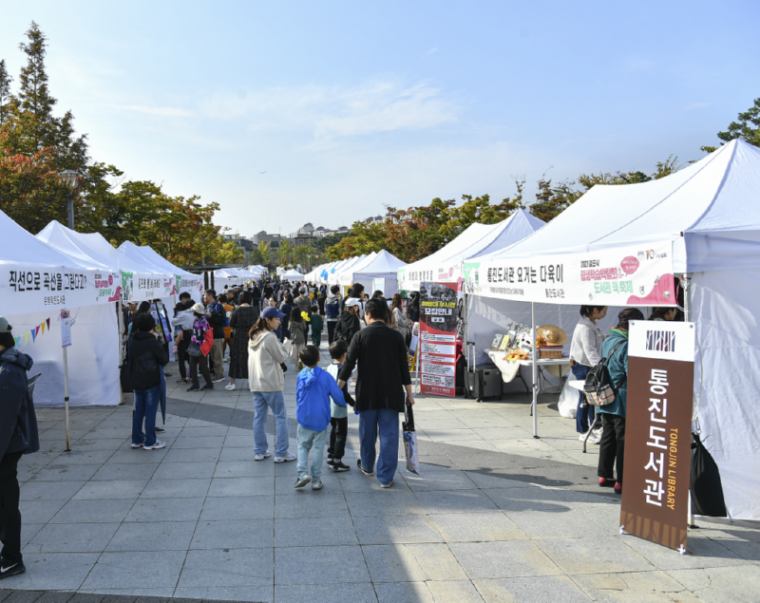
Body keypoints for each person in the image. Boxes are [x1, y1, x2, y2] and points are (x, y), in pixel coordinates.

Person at [338, 299, 414, 488]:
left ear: (368, 315)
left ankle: (367, 466)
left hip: (367, 393)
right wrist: (409, 394)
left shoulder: (360, 336)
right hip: (392, 393)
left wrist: (337, 385)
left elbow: (348, 364)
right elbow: (404, 368)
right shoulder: (396, 336)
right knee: (389, 435)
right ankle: (385, 477)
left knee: (367, 432)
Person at [0, 316, 38, 580]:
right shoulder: (7, 365)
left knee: (6, 504)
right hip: (6, 443)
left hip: (6, 447)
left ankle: (12, 558)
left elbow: (5, 418)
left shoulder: (9, 369)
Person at [597, 308, 644, 494]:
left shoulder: (607, 340)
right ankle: (622, 481)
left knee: (607, 436)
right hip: (621, 399)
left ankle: (604, 474)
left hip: (605, 396)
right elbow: (631, 373)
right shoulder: (626, 344)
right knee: (623, 441)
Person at [294, 345, 348, 490]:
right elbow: (337, 395)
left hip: (304, 417)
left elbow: (298, 396)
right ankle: (316, 479)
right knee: (318, 448)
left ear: (301, 361)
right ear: (319, 358)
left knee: (303, 446)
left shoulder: (301, 375)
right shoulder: (325, 376)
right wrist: (343, 404)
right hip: (321, 419)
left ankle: (302, 473)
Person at [248, 306, 295, 463]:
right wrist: (287, 344)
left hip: (256, 382)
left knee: (259, 417)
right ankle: (281, 453)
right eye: (276, 319)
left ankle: (260, 451)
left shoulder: (254, 336)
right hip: (271, 383)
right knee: (281, 417)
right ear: (267, 320)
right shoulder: (269, 337)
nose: (279, 322)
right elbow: (281, 357)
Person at [128, 312, 169, 450]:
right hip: (151, 380)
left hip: (136, 380)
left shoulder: (132, 340)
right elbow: (163, 358)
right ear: (151, 325)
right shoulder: (151, 341)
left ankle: (137, 439)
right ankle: (150, 441)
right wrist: (157, 341)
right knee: (150, 411)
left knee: (139, 410)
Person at [569, 306, 608, 444]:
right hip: (584, 366)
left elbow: (593, 342)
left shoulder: (589, 323)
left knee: (591, 398)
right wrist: (600, 368)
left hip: (585, 365)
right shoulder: (586, 326)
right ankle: (583, 431)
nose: (605, 314)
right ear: (595, 310)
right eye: (604, 311)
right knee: (585, 399)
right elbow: (589, 350)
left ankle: (595, 427)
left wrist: (604, 337)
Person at [326, 339, 355, 472]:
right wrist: (354, 403)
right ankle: (337, 460)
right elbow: (342, 391)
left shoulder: (329, 367)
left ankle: (331, 455)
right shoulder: (342, 369)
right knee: (341, 434)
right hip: (339, 407)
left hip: (330, 406)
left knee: (334, 430)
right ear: (345, 354)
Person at [226, 291, 259, 391]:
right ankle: (250, 383)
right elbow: (257, 323)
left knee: (236, 358)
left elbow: (231, 323)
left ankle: (232, 383)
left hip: (238, 336)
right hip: (251, 336)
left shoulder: (236, 309)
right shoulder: (254, 310)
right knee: (251, 358)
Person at [188, 303, 214, 392]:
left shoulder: (203, 321)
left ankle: (209, 383)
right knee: (192, 365)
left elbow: (206, 332)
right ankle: (195, 384)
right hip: (195, 345)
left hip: (200, 346)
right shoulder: (197, 319)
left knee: (203, 366)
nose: (192, 311)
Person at [204, 290, 227, 382]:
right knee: (214, 356)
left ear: (210, 296)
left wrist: (211, 317)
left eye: (205, 296)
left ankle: (219, 375)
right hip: (210, 335)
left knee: (217, 356)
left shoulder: (218, 306)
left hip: (217, 335)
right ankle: (217, 372)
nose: (204, 298)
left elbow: (223, 318)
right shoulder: (209, 306)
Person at [219, 294, 234, 362]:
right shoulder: (232, 308)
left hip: (222, 332)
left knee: (222, 349)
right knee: (232, 348)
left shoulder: (218, 308)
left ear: (219, 301)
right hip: (231, 331)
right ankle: (232, 361)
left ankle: (220, 362)